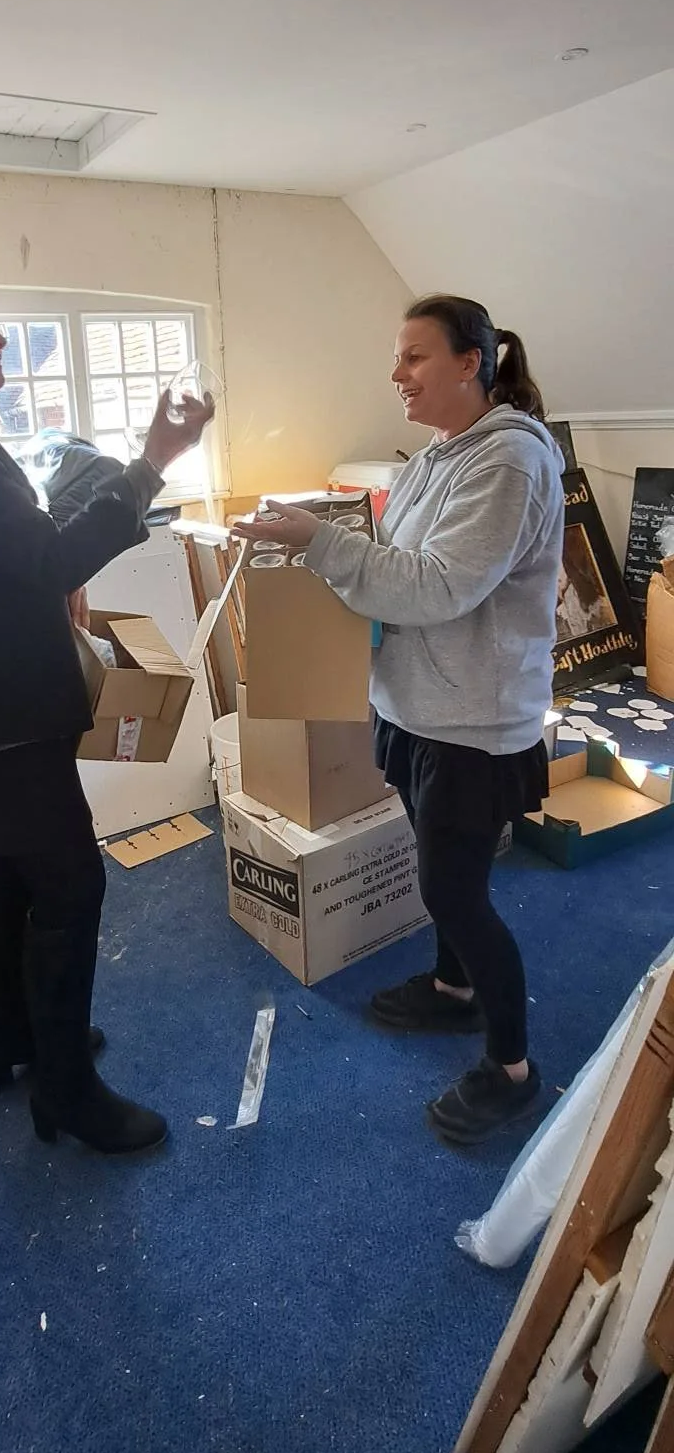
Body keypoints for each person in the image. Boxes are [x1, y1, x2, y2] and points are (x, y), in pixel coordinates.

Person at [0, 275, 212, 1157]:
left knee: (9, 874)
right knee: (68, 883)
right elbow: (48, 556)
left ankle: (14, 1037)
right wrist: (152, 459)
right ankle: (67, 1090)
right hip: (0, 717)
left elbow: (8, 561)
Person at [239, 296, 564, 1146]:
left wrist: (318, 542)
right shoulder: (433, 457)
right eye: (397, 358)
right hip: (417, 706)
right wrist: (314, 542)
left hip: (474, 722)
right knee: (440, 872)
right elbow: (386, 560)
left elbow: (433, 587)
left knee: (451, 889)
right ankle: (455, 992)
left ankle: (513, 1070)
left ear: (471, 363)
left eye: (415, 357)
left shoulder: (510, 464)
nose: (396, 375)